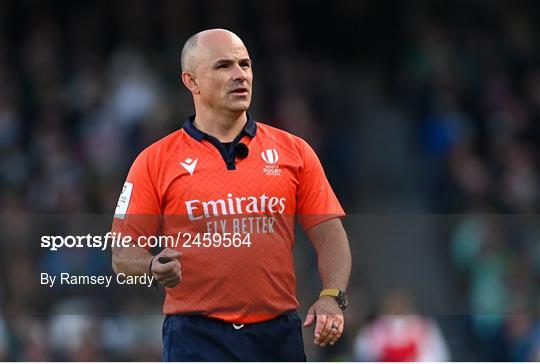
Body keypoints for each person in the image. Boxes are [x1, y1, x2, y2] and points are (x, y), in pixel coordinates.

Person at [111, 28, 351, 361]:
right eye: (224, 66)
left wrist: (332, 295)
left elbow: (329, 235)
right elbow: (123, 253)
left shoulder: (294, 152)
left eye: (245, 64)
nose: (240, 75)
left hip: (276, 335)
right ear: (191, 81)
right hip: (196, 335)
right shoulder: (154, 161)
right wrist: (152, 265)